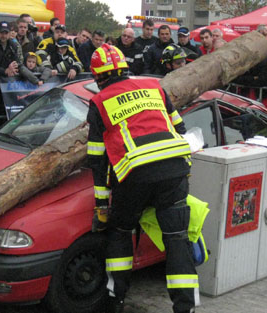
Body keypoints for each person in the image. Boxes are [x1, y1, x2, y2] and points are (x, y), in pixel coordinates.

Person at [86, 43, 198, 313]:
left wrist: (102, 206)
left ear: (98, 77)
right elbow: (180, 128)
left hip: (135, 176)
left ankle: (115, 300)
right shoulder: (153, 87)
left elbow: (98, 160)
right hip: (174, 171)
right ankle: (186, 308)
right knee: (176, 239)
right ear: (125, 69)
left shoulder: (100, 102)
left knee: (121, 231)